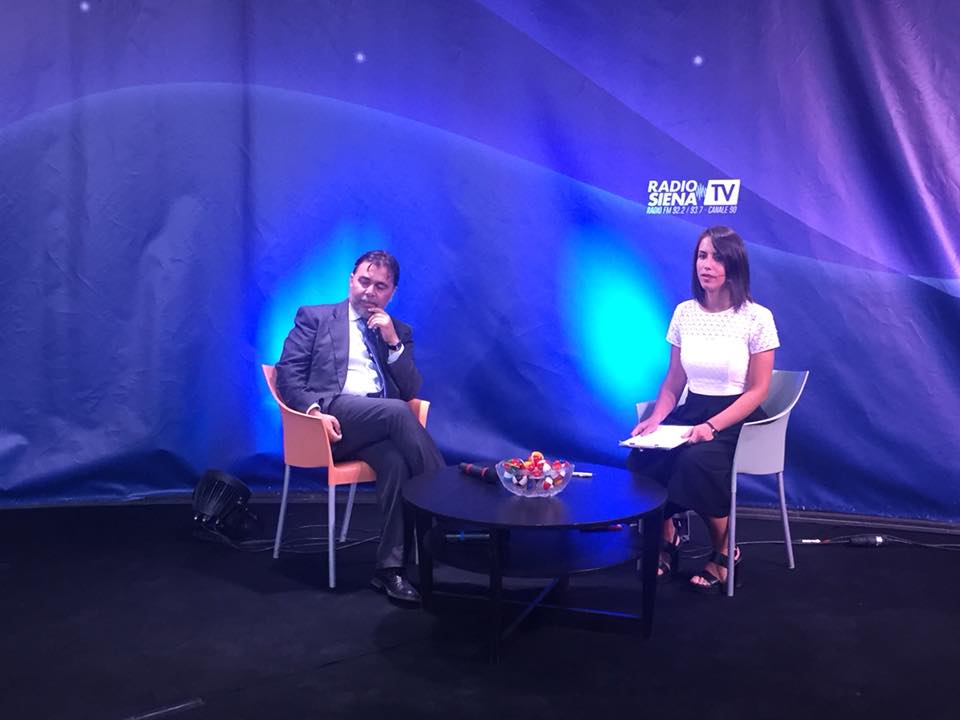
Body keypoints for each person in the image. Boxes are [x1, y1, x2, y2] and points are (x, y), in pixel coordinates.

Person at [275, 250, 444, 603]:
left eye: (380, 286)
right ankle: (448, 503)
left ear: (392, 293)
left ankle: (389, 570)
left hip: (375, 424)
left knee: (396, 462)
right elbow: (287, 374)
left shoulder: (397, 331)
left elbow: (411, 389)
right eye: (364, 281)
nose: (370, 291)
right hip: (330, 419)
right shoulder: (315, 318)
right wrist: (314, 412)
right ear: (351, 280)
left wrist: (393, 342)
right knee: (397, 412)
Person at [628, 226, 779, 593]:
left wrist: (712, 426)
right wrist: (656, 419)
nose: (706, 265)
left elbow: (758, 390)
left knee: (696, 463)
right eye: (702, 256)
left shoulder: (757, 318)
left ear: (735, 265)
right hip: (693, 408)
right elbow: (673, 381)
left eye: (717, 258)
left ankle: (725, 549)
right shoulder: (684, 313)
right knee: (646, 456)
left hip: (737, 415)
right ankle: (667, 537)